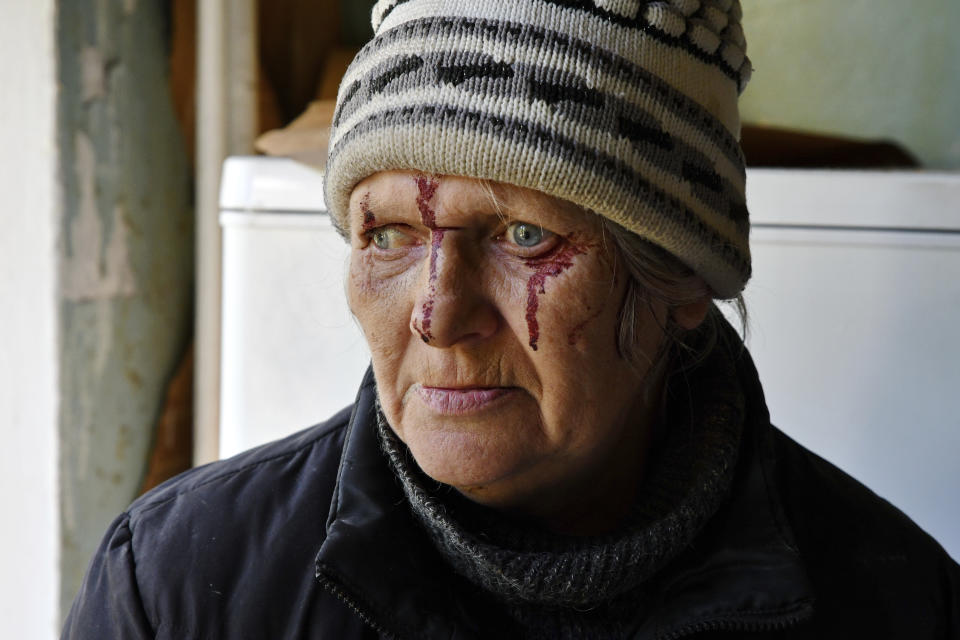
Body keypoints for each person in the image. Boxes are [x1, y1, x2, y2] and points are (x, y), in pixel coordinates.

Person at [63, 1, 959, 638]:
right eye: (388, 235)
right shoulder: (179, 588)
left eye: (524, 235)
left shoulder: (895, 605)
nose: (439, 314)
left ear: (683, 275)